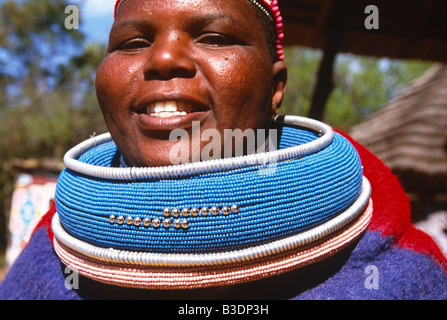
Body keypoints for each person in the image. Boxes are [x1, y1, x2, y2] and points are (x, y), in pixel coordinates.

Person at [0, 0, 446, 300]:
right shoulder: (52, 250)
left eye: (214, 38)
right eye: (133, 42)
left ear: (275, 88)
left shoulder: (397, 269)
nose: (164, 59)